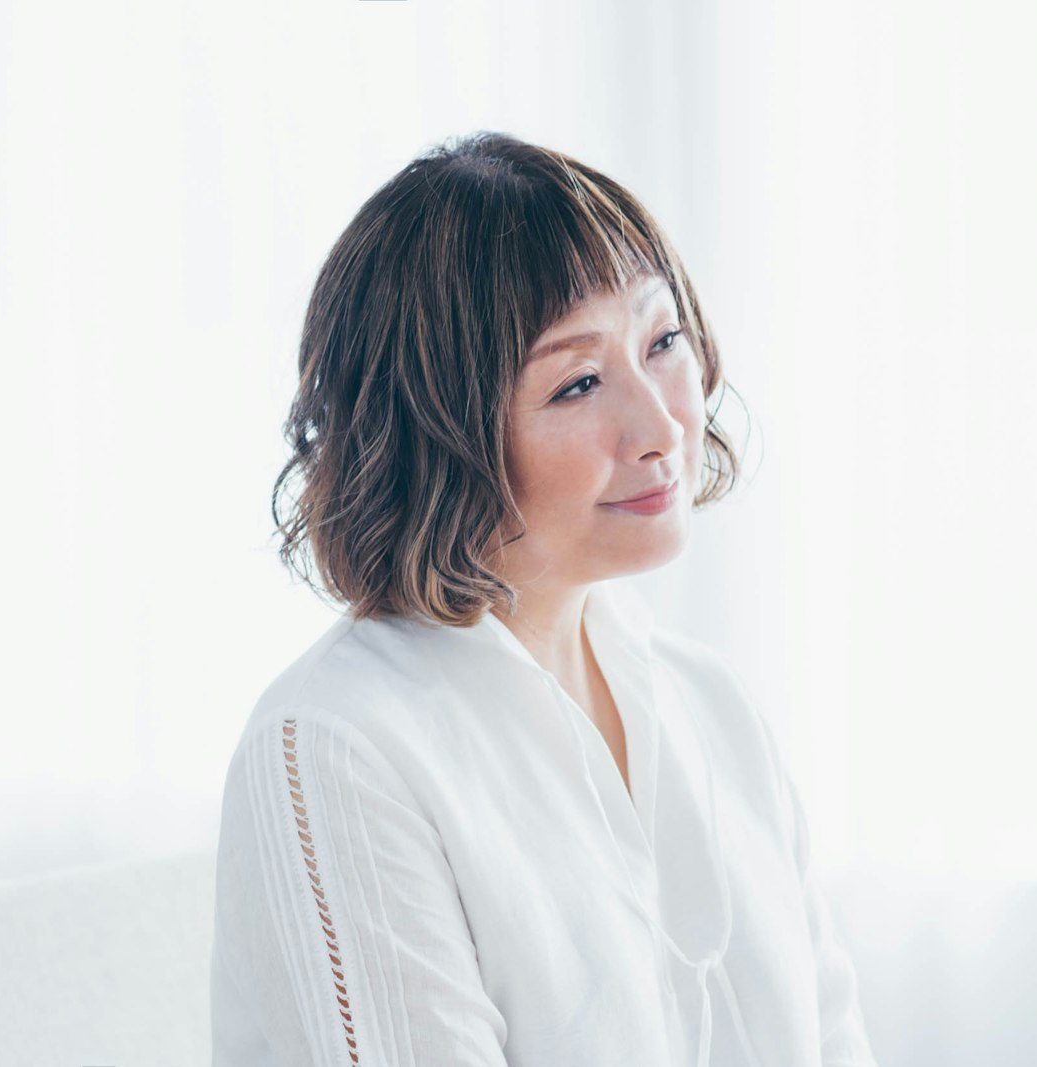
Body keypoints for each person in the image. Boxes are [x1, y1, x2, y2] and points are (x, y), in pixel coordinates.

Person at [210, 131, 877, 1067]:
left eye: (663, 341)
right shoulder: (336, 748)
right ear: (436, 437)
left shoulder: (712, 706)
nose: (659, 425)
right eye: (579, 383)